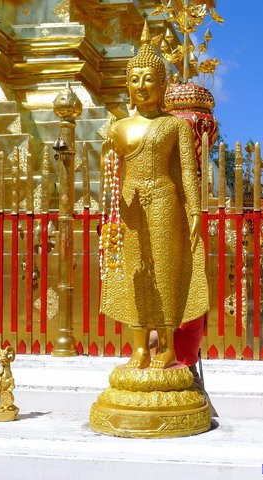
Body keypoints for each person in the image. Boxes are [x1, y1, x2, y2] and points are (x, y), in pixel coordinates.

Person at [99, 23, 209, 369]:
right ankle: (138, 347)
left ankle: (167, 347)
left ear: (163, 85)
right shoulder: (118, 128)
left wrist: (194, 211)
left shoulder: (175, 125)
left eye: (149, 78)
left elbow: (187, 172)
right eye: (136, 79)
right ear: (127, 85)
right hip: (130, 202)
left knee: (164, 271)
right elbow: (110, 174)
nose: (142, 85)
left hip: (164, 199)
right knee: (135, 271)